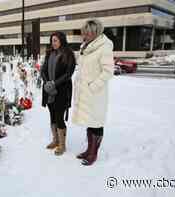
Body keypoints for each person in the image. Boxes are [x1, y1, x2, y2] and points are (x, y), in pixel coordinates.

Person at [72, 19, 114, 165]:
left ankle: (93, 153)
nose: (84, 35)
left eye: (87, 33)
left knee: (96, 123)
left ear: (95, 33)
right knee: (90, 123)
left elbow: (108, 71)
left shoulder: (104, 47)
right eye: (84, 33)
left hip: (96, 94)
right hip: (86, 92)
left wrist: (93, 87)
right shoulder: (86, 46)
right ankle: (89, 149)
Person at [41, 31, 76, 156]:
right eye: (52, 40)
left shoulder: (68, 54)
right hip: (49, 91)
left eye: (55, 40)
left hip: (62, 90)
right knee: (52, 115)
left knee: (59, 116)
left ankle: (62, 144)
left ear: (61, 40)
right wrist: (46, 83)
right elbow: (43, 70)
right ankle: (55, 140)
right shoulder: (49, 52)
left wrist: (54, 84)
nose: (53, 43)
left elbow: (68, 73)